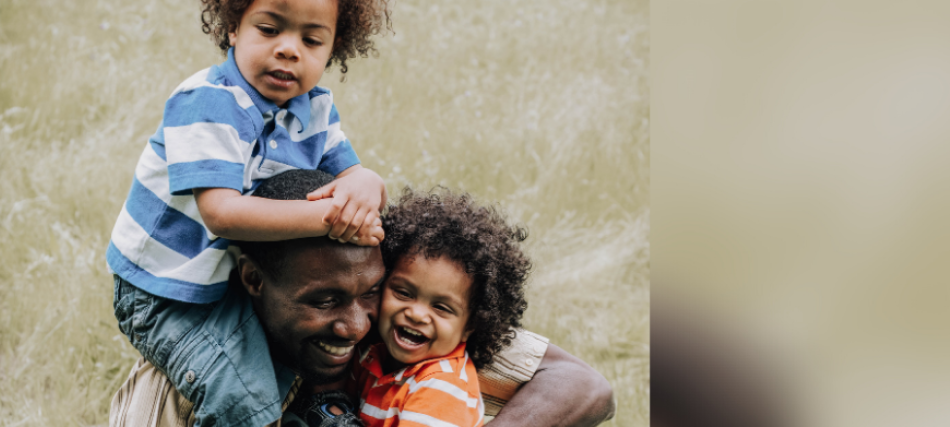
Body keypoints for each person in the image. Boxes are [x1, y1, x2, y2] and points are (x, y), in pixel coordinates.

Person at [110, 170, 617, 427]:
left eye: (371, 292)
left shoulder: (409, 325)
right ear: (253, 281)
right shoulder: (192, 376)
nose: (355, 325)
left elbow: (583, 386)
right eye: (324, 301)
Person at [105, 0, 393, 425]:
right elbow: (223, 214)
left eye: (311, 40)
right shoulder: (209, 102)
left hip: (230, 276)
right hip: (167, 290)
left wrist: (367, 180)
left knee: (281, 371)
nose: (289, 49)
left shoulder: (313, 108)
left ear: (333, 49)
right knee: (242, 397)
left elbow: (349, 175)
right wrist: (332, 218)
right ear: (234, 28)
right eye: (269, 29)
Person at [295, 188, 532, 427]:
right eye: (403, 293)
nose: (417, 314)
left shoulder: (441, 387)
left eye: (441, 307)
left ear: (471, 325)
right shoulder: (374, 354)